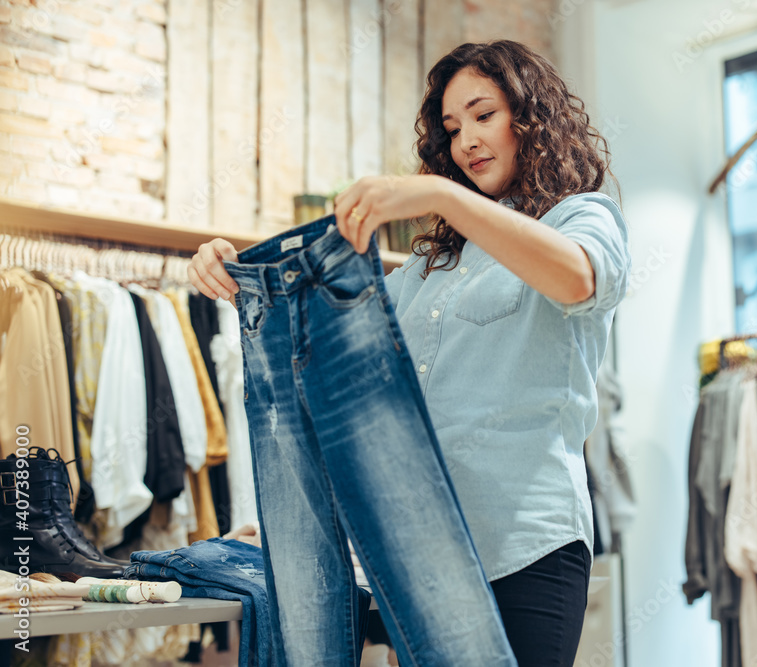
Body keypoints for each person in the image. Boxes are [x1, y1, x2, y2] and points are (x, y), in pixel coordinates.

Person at [189, 39, 630, 667]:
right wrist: (240, 277)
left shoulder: (583, 218)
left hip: (525, 545)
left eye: (484, 115)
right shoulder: (429, 269)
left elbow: (577, 279)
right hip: (416, 555)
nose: (468, 141)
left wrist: (444, 199)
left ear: (531, 117)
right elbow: (325, 338)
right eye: (453, 129)